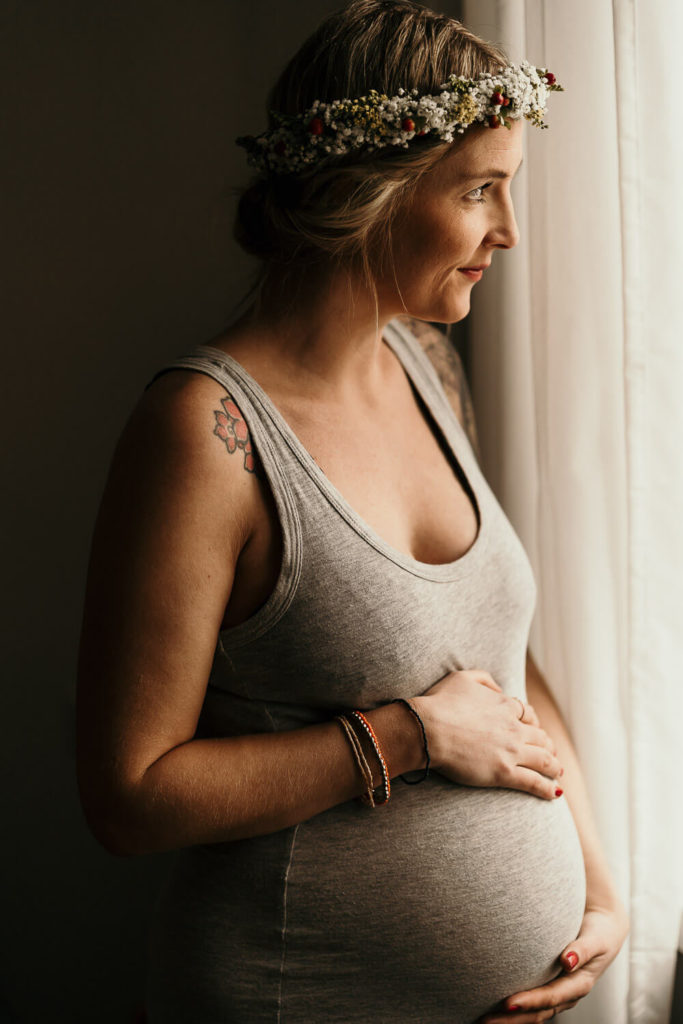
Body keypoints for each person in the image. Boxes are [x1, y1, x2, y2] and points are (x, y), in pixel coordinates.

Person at [76, 1, 629, 1021]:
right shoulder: (205, 431)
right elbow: (131, 794)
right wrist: (405, 735)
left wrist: (595, 884)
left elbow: (504, 669)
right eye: (478, 190)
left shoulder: (426, 366)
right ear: (367, 190)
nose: (508, 231)